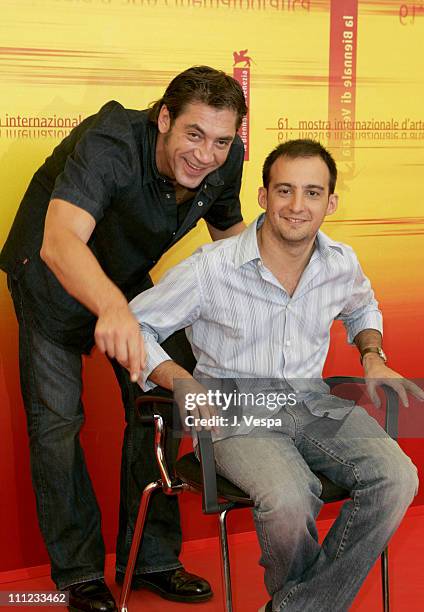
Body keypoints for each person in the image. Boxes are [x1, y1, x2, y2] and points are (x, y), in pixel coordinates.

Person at [129, 139, 423, 612]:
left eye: (312, 193)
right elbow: (135, 325)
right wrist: (179, 379)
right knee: (289, 498)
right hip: (236, 408)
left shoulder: (340, 262)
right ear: (263, 197)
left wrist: (372, 353)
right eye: (284, 190)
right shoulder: (213, 268)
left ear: (331, 203)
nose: (296, 206)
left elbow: (363, 305)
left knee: (397, 478)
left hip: (313, 401)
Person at [0, 66, 248, 612]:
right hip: (49, 274)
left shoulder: (224, 160)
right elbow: (61, 241)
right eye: (193, 135)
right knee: (58, 424)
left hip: (125, 274)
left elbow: (234, 242)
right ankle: (79, 572)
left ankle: (151, 558)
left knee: (164, 402)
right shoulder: (110, 141)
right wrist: (112, 307)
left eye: (222, 140)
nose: (207, 155)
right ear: (164, 119)